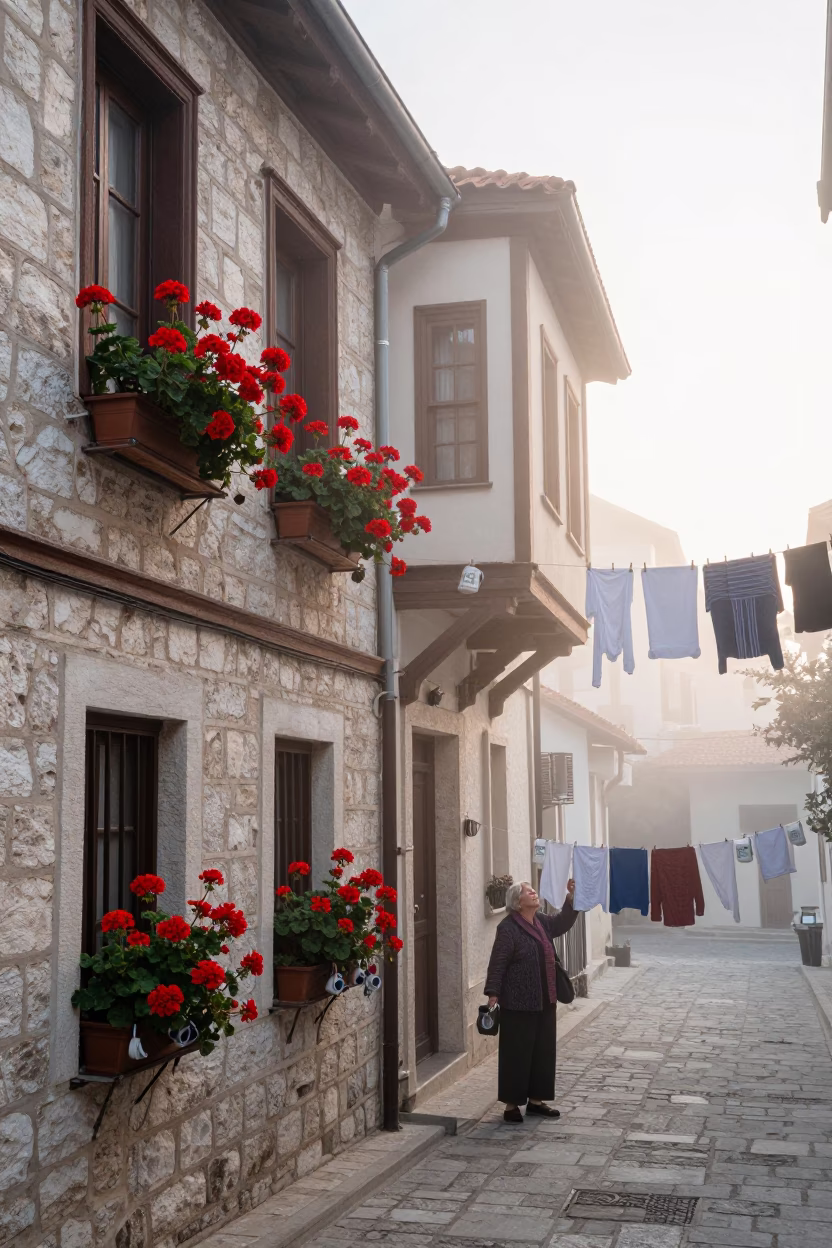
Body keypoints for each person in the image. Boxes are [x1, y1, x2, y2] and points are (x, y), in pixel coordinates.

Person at [483, 877, 578, 1123]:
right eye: (529, 892)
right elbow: (498, 962)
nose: (534, 893)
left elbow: (563, 923)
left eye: (534, 891)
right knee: (517, 1053)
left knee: (543, 1052)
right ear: (517, 902)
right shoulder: (508, 928)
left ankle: (537, 1101)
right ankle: (511, 1105)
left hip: (546, 998)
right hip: (518, 1002)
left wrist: (571, 899)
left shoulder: (541, 921)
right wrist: (493, 993)